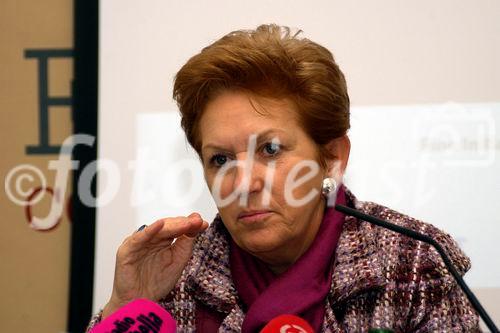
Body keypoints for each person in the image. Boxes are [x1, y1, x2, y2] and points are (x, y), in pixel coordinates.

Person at [87, 24, 480, 332]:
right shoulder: (172, 280)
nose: (243, 183)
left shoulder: (415, 263)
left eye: (270, 151)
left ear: (331, 158)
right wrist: (125, 306)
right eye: (220, 158)